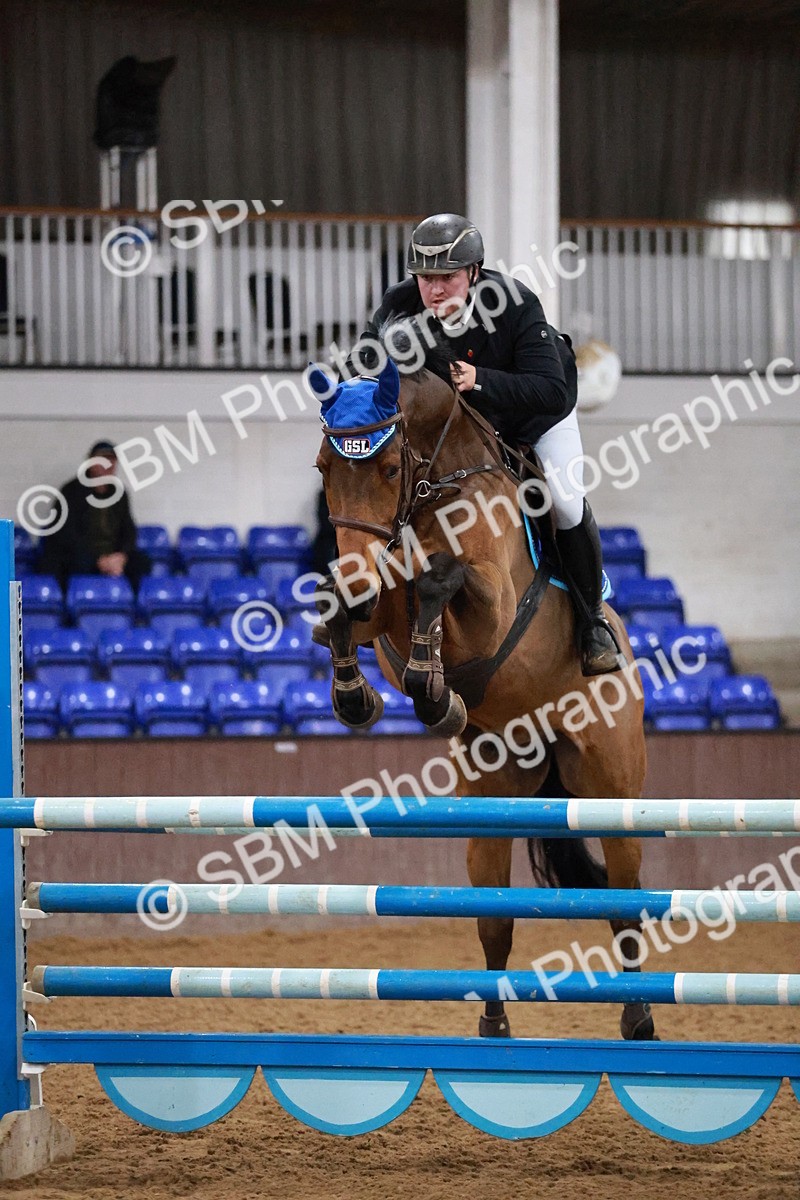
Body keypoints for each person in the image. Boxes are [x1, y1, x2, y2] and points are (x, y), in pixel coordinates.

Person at [350, 212, 620, 676]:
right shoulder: (397, 306)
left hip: (534, 418)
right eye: (425, 278)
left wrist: (480, 380)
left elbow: (550, 390)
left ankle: (592, 619)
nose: (435, 290)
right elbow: (364, 374)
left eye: (447, 277)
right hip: (459, 433)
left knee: (565, 500)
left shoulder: (514, 303)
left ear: (473, 273)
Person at [38, 440, 151, 591]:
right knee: (68, 563)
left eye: (112, 459)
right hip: (82, 555)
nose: (108, 464)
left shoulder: (120, 494)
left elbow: (128, 530)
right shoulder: (71, 492)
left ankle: (131, 608)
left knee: (142, 563)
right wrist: (99, 560)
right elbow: (66, 535)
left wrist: (121, 557)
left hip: (112, 555)